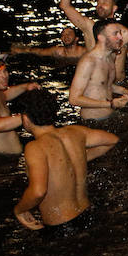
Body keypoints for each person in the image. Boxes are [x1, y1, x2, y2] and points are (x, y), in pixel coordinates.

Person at [12, 88, 117, 231]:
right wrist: (81, 157)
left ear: (25, 118)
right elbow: (112, 140)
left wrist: (19, 210)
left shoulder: (35, 147)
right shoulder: (76, 132)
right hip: (89, 216)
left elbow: (38, 191)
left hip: (62, 227)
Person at [69, 19, 128, 121]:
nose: (120, 37)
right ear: (101, 38)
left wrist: (125, 91)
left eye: (120, 33)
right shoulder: (88, 62)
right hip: (93, 122)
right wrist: (110, 104)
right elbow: (74, 99)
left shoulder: (111, 57)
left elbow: (103, 84)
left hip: (110, 116)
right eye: (115, 34)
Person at [10, 25, 86, 61]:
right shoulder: (57, 52)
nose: (66, 36)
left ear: (76, 38)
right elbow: (38, 52)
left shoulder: (84, 53)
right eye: (63, 34)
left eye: (69, 34)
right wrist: (20, 51)